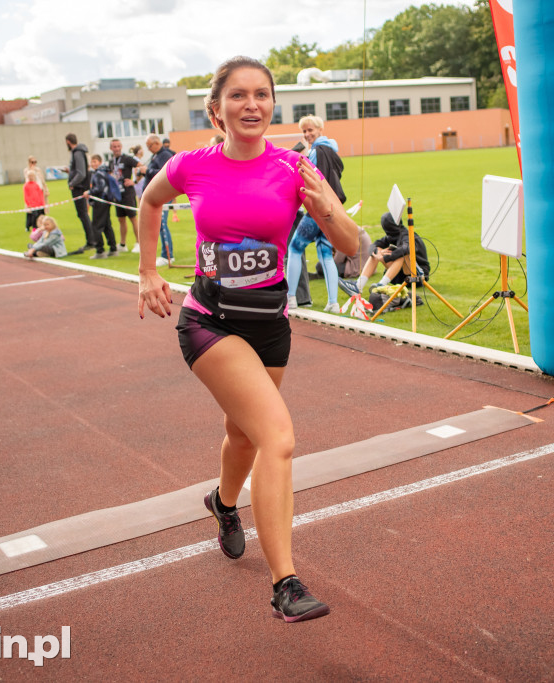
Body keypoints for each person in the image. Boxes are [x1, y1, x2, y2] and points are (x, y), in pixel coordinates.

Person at [137, 55, 358, 623]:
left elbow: (352, 245)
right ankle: (285, 582)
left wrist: (328, 210)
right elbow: (149, 201)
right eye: (238, 95)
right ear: (217, 110)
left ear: (273, 105)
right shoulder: (190, 166)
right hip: (209, 321)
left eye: (262, 94)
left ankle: (222, 503)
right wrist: (147, 271)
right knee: (277, 438)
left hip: (270, 324)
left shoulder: (294, 167)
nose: (252, 104)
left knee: (243, 435)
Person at [285, 115, 347, 313]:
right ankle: (333, 303)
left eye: (310, 130)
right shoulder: (332, 150)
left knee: (295, 248)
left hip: (317, 211)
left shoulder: (316, 153)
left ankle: (292, 298)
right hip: (331, 212)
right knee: (325, 254)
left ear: (320, 129)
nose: (307, 134)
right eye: (304, 131)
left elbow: (311, 182)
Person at [338, 211, 430, 298]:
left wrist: (386, 258)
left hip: (418, 276)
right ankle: (358, 285)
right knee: (377, 251)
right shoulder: (393, 235)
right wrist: (378, 254)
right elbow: (373, 245)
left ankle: (381, 285)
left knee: (403, 253)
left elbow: (406, 249)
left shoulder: (407, 236)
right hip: (402, 277)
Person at [137, 133, 174, 266]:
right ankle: (165, 254)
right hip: (156, 196)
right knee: (159, 225)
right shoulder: (156, 155)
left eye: (149, 146)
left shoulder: (164, 155)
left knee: (162, 224)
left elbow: (165, 174)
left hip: (162, 195)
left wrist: (147, 171)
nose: (148, 149)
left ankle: (167, 255)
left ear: (156, 143)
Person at [63, 133, 95, 254]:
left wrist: (72, 183)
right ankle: (92, 240)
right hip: (79, 186)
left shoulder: (77, 153)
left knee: (83, 214)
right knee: (82, 214)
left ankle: (92, 241)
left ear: (68, 142)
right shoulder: (78, 153)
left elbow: (81, 173)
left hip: (79, 188)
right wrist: (70, 171)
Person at [108, 138, 139, 252]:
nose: (116, 148)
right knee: (121, 219)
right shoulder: (111, 161)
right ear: (111, 148)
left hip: (128, 193)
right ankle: (122, 244)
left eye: (118, 146)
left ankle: (138, 243)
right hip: (118, 194)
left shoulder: (127, 159)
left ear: (121, 147)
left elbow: (141, 167)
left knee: (133, 218)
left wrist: (134, 181)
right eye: (114, 146)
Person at [87, 154, 119, 259]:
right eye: (92, 162)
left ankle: (100, 251)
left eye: (95, 161)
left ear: (100, 162)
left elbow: (100, 188)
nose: (93, 164)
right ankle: (113, 248)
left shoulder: (98, 174)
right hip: (106, 202)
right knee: (106, 225)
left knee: (96, 226)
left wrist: (89, 192)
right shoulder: (103, 172)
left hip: (100, 202)